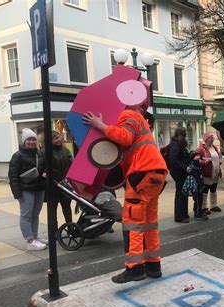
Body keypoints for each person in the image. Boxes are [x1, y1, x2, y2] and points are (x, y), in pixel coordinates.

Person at [83, 106, 168, 284]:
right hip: (156, 172)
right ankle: (154, 266)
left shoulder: (128, 114)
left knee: (133, 222)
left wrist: (101, 126)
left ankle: (134, 269)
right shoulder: (141, 119)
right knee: (149, 222)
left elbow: (125, 137)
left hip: (141, 172)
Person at [8, 128, 47, 251]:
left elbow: (44, 168)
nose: (31, 142)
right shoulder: (17, 156)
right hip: (26, 190)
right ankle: (29, 240)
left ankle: (35, 237)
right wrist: (17, 194)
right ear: (24, 141)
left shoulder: (40, 153)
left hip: (39, 188)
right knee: (26, 215)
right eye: (29, 139)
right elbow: (13, 176)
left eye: (33, 139)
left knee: (35, 215)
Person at [168, 127, 208, 222]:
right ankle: (180, 216)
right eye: (184, 134)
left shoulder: (179, 144)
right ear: (181, 134)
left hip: (183, 172)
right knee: (181, 194)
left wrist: (192, 155)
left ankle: (183, 215)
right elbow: (174, 160)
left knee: (183, 193)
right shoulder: (175, 145)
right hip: (179, 173)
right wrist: (185, 167)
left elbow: (183, 158)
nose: (185, 136)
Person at [48, 131, 73, 234]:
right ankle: (54, 232)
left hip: (65, 185)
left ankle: (70, 229)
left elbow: (71, 165)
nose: (58, 140)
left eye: (59, 137)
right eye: (55, 138)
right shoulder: (47, 152)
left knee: (67, 208)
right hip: (53, 185)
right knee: (52, 211)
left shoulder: (65, 150)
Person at [196, 132, 222, 215]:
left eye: (212, 138)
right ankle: (204, 207)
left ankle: (213, 205)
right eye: (211, 138)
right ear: (206, 140)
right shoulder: (201, 149)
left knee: (213, 189)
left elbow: (217, 160)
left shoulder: (214, 147)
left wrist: (220, 170)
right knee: (205, 190)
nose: (213, 139)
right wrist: (204, 162)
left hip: (215, 172)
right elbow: (196, 160)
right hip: (206, 173)